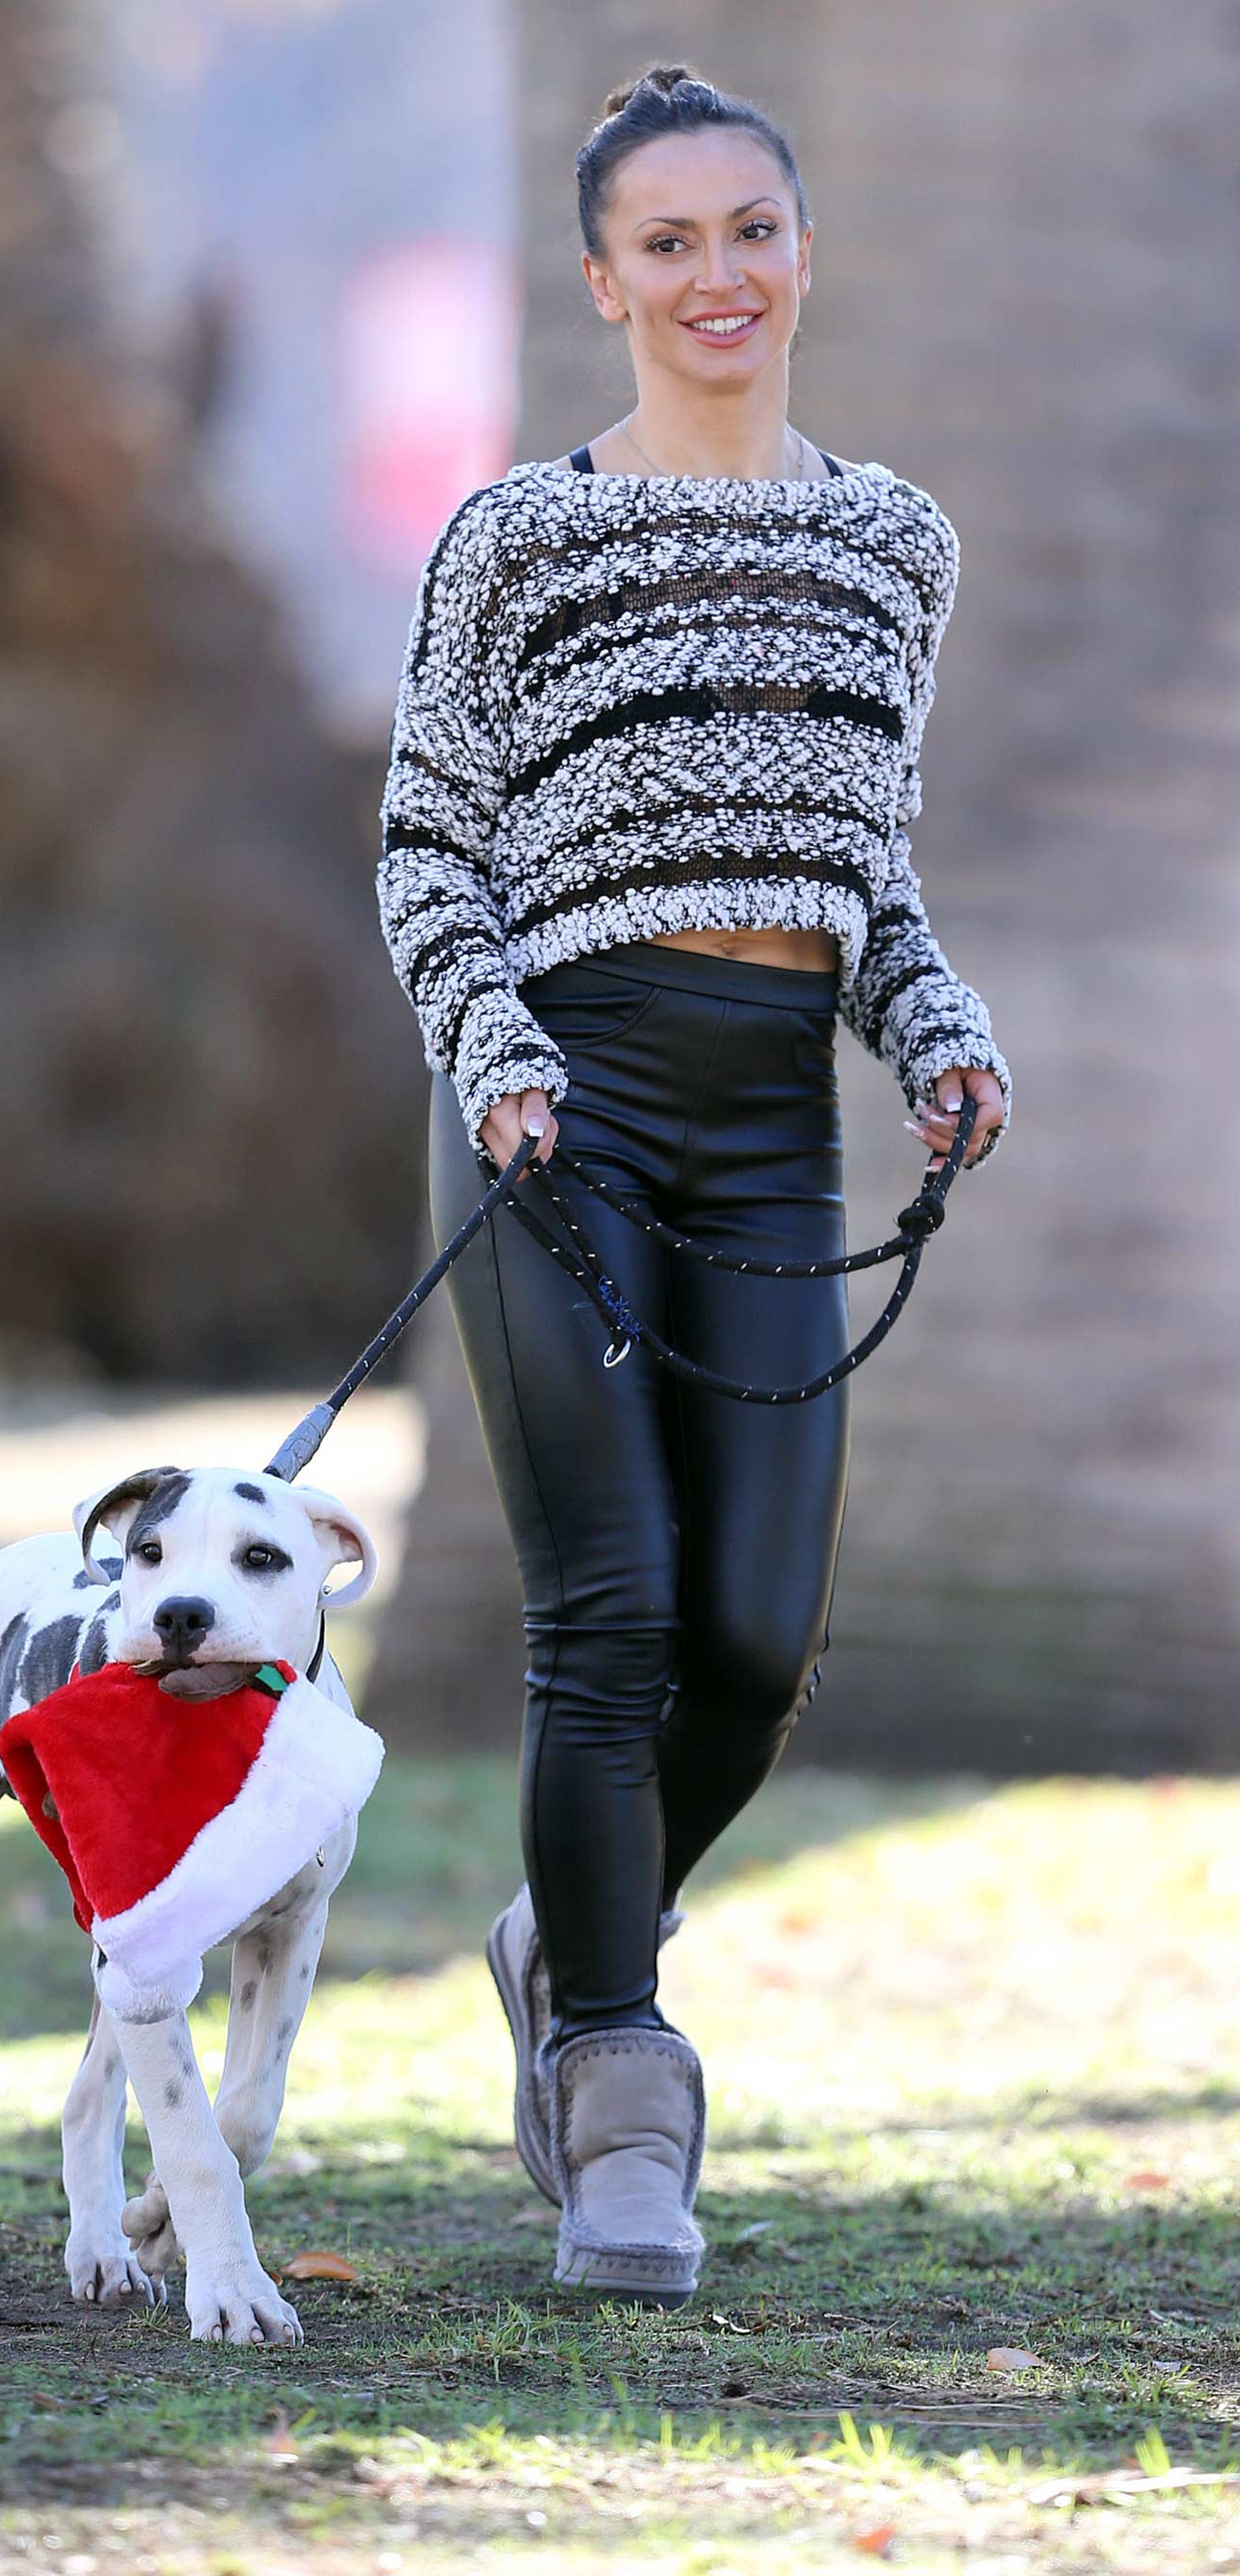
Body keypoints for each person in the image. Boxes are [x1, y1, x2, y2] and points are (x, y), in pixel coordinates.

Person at [374, 64, 1012, 2304]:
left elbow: (865, 873)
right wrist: (496, 1049)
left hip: (766, 1118)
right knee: (614, 1610)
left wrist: (933, 1030)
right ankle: (622, 2101)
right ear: (603, 284)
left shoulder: (893, 546)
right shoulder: (515, 540)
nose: (717, 275)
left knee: (753, 1642)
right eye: (670, 242)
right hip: (560, 1095)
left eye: (753, 230)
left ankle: (576, 1923)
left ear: (804, 252)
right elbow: (428, 841)